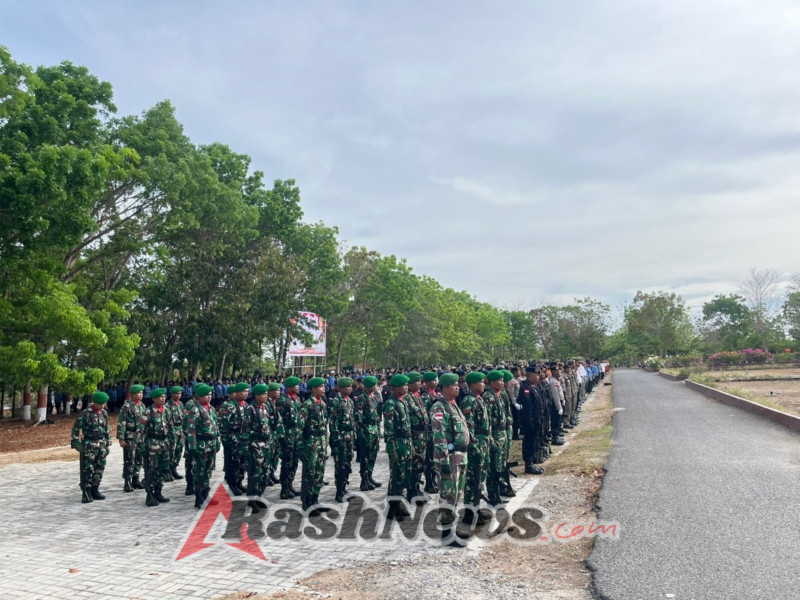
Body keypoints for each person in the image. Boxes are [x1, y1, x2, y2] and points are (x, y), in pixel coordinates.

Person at [429, 373, 470, 545]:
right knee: (448, 495)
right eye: (454, 385)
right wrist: (444, 462)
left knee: (457, 494)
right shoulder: (439, 408)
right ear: (445, 388)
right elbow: (439, 436)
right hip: (449, 459)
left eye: (457, 385)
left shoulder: (453, 405)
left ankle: (452, 529)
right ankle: (446, 535)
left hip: (460, 457)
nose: (457, 387)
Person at [460, 371, 491, 524]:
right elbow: (469, 426)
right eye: (481, 382)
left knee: (480, 479)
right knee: (472, 479)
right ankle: (469, 513)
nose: (484, 384)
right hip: (476, 444)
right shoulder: (469, 400)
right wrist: (474, 446)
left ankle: (476, 509)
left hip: (483, 441)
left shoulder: (478, 399)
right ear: (473, 384)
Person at [71, 391, 112, 504]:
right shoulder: (85, 413)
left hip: (101, 444)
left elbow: (107, 428)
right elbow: (76, 428)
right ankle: (86, 491)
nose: (103, 406)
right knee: (88, 469)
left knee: (100, 468)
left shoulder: (103, 413)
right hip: (89, 444)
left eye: (104, 404)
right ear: (96, 403)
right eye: (101, 403)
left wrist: (108, 442)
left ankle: (95, 489)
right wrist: (75, 443)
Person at [185, 383, 221, 509]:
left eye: (210, 394)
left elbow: (215, 427)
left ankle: (206, 495)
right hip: (201, 444)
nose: (209, 397)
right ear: (199, 397)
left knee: (208, 471)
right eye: (206, 395)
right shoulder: (195, 409)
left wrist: (217, 442)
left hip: (211, 444)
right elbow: (191, 429)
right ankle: (199, 498)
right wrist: (193, 446)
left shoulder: (210, 408)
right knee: (200, 471)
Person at [296, 377, 329, 511]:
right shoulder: (307, 405)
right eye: (320, 387)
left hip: (321, 443)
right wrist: (300, 447)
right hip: (311, 444)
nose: (323, 388)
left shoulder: (322, 404)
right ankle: (306, 502)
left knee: (319, 473)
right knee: (309, 473)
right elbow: (299, 427)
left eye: (323, 386)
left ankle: (315, 500)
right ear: (313, 389)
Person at [383, 373, 413, 520]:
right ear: (396, 387)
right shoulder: (391, 403)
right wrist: (391, 448)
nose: (406, 387)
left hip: (406, 442)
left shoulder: (403, 401)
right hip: (398, 443)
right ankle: (392, 507)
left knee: (404, 475)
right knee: (396, 476)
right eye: (403, 385)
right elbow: (389, 429)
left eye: (407, 385)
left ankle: (398, 503)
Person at [243, 383, 273, 513]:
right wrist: (247, 447)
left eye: (267, 393)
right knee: (254, 473)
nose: (266, 396)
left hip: (266, 444)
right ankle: (252, 500)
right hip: (255, 445)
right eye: (263, 394)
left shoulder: (265, 407)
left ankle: (259, 497)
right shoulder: (251, 409)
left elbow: (269, 424)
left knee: (265, 473)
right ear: (257, 395)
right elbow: (245, 429)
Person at [218, 381, 249, 495]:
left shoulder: (245, 405)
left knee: (242, 463)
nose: (246, 393)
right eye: (243, 391)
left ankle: (240, 482)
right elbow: (222, 424)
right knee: (233, 463)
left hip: (243, 439)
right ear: (236, 393)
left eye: (247, 391)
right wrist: (225, 441)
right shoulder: (228, 406)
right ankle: (233, 485)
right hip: (232, 438)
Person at [143, 388, 172, 507]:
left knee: (162, 469)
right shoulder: (148, 412)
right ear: (154, 399)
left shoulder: (166, 411)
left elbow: (170, 427)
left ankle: (158, 492)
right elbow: (141, 430)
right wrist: (143, 447)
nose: (163, 398)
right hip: (152, 445)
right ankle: (149, 495)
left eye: (164, 396)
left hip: (164, 444)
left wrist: (171, 441)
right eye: (160, 397)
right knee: (151, 470)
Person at [329, 377, 356, 502]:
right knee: (340, 465)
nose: (350, 388)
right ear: (341, 388)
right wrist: (336, 440)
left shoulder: (349, 401)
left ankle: (344, 488)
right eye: (347, 387)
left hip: (349, 438)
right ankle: (339, 491)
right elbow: (333, 423)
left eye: (351, 386)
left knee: (347, 463)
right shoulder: (336, 401)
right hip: (340, 438)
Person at [483, 370, 508, 506]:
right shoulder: (488, 397)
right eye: (499, 380)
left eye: (503, 380)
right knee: (493, 468)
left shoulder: (498, 395)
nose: (502, 383)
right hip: (495, 436)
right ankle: (493, 496)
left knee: (500, 466)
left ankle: (498, 493)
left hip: (502, 435)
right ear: (492, 382)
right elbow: (488, 420)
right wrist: (491, 439)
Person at [405, 371, 430, 503]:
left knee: (420, 463)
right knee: (414, 464)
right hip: (415, 436)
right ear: (409, 384)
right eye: (416, 381)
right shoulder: (407, 398)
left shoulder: (417, 396)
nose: (419, 384)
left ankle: (417, 488)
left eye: (420, 381)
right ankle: (411, 491)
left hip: (422, 436)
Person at [117, 384, 147, 492]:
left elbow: (144, 421)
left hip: (140, 436)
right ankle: (127, 482)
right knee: (130, 459)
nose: (141, 395)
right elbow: (122, 423)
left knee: (139, 459)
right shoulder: (127, 406)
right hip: (130, 436)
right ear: (132, 394)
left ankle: (136, 479)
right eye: (138, 393)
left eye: (142, 393)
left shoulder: (142, 406)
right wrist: (121, 438)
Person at [355, 375, 382, 491]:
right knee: (365, 457)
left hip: (374, 430)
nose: (375, 387)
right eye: (374, 385)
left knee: (372, 455)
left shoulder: (372, 397)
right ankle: (364, 480)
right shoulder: (362, 398)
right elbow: (358, 417)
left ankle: (369, 476)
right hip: (366, 431)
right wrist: (361, 433)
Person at [277, 376, 302, 499]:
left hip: (296, 435)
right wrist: (282, 438)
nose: (298, 387)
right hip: (287, 436)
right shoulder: (282, 401)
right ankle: (284, 488)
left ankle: (290, 484)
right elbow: (279, 421)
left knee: (294, 462)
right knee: (286, 463)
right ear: (289, 387)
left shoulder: (296, 399)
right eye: (296, 385)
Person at [419, 371, 441, 494]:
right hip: (429, 431)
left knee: (435, 458)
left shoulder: (436, 395)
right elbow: (425, 414)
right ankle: (429, 482)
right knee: (429, 459)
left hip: (436, 430)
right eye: (433, 380)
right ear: (427, 382)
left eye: (436, 379)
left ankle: (433, 480)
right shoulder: (425, 396)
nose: (436, 382)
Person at [265, 383, 284, 487]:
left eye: (279, 390)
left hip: (277, 433)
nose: (278, 392)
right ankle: (267, 475)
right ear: (270, 392)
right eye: (276, 391)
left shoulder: (276, 402)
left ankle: (272, 473)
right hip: (270, 433)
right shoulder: (267, 403)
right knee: (269, 455)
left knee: (276, 455)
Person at [166, 386, 185, 482]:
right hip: (172, 430)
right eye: (177, 393)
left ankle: (174, 469)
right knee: (171, 451)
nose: (179, 395)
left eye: (180, 393)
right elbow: (167, 420)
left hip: (180, 430)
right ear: (172, 394)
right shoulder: (168, 405)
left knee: (178, 450)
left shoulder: (181, 404)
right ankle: (168, 470)